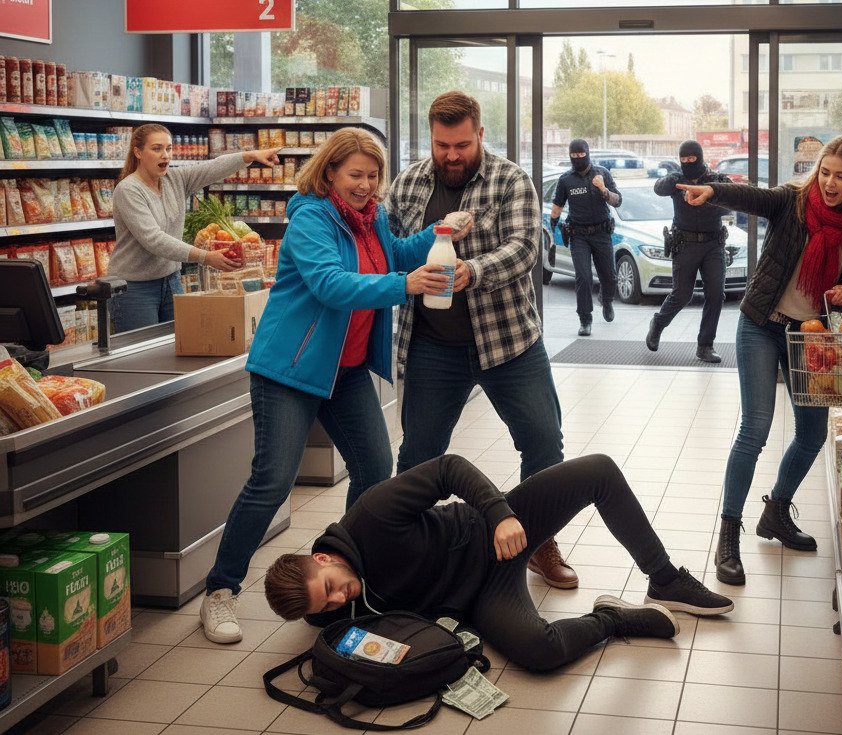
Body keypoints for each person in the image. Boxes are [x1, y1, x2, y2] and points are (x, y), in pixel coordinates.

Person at [199, 128, 469, 644]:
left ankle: (343, 571)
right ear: (328, 173)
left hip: (344, 373)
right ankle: (220, 592)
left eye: (373, 176)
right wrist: (404, 286)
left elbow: (393, 255)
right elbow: (331, 284)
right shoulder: (310, 218)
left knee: (373, 466)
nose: (366, 185)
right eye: (355, 176)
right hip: (290, 370)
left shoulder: (375, 218)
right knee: (272, 482)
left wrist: (439, 232)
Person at [263, 454, 735, 672]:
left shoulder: (372, 514)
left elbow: (448, 468)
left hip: (489, 530)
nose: (340, 599)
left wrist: (500, 514)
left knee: (599, 471)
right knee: (541, 652)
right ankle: (612, 617)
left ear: (321, 557)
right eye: (327, 606)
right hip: (481, 597)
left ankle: (665, 579)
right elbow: (318, 619)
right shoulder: (318, 607)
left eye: (331, 586)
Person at [384, 91, 574, 590]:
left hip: (509, 342)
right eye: (442, 144)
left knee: (543, 442)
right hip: (431, 346)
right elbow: (388, 252)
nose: (451, 154)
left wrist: (473, 270)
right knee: (419, 456)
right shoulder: (407, 186)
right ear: (431, 137)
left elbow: (524, 249)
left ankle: (538, 542)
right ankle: (407, 553)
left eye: (462, 144)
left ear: (480, 135)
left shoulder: (510, 180)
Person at [676, 137, 842, 586]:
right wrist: (713, 190)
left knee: (811, 434)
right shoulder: (792, 202)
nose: (829, 182)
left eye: (840, 176)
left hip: (812, 337)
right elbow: (752, 195)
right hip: (761, 324)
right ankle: (728, 534)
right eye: (825, 171)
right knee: (755, 429)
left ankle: (776, 514)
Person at [109, 123, 280, 332]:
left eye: (168, 148)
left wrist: (251, 155)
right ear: (138, 152)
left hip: (171, 280)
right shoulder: (128, 190)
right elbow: (153, 239)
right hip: (135, 288)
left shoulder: (175, 179)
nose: (165, 155)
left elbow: (212, 168)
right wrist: (205, 257)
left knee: (177, 349)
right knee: (141, 358)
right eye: (156, 149)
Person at [645, 140, 732, 362]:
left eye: (691, 160)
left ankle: (705, 345)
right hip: (685, 244)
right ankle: (658, 323)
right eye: (683, 160)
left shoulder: (716, 179)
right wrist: (675, 179)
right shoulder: (678, 179)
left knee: (715, 294)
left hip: (713, 245)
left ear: (700, 158)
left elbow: (733, 201)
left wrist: (708, 202)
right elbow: (658, 188)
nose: (687, 163)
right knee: (682, 294)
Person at [549, 139, 622, 336]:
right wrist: (553, 226)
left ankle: (606, 301)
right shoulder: (566, 180)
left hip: (601, 233)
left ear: (588, 154)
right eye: (574, 156)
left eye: (582, 155)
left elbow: (618, 200)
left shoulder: (602, 174)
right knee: (584, 278)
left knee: (609, 276)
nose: (578, 159)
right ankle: (585, 319)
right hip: (578, 235)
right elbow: (557, 206)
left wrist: (603, 190)